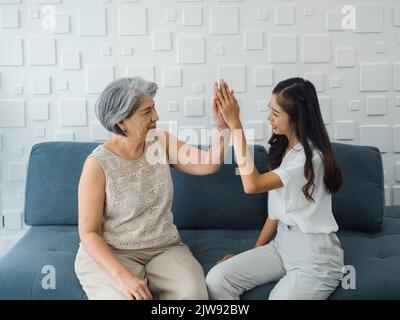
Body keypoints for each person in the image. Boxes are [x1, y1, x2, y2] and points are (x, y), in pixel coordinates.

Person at [75, 77, 230, 300]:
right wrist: (122, 277)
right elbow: (88, 233)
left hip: (164, 247)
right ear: (121, 122)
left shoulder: (160, 142)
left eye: (154, 108)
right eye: (147, 112)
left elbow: (209, 164)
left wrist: (222, 126)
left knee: (194, 295)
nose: (156, 117)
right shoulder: (98, 164)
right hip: (114, 252)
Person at [206, 78, 345, 300]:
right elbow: (275, 215)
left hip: (314, 256)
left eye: (276, 113)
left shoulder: (311, 158)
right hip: (281, 245)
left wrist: (235, 125)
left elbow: (252, 185)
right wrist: (253, 254)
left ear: (297, 118)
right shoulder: (287, 150)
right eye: (269, 109)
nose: (269, 117)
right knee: (218, 279)